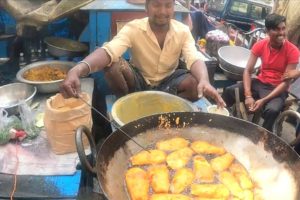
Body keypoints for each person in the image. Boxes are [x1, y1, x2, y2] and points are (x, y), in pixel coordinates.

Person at [61, 0, 225, 107]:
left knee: (196, 85)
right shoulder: (133, 28)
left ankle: (171, 108)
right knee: (112, 66)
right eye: (156, 4)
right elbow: (109, 50)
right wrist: (77, 70)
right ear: (146, 7)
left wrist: (204, 80)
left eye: (168, 5)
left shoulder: (182, 31)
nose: (162, 11)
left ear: (173, 8)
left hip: (170, 82)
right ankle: (126, 104)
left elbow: (194, 57)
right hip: (138, 80)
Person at [222, 13, 299, 132]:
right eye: (276, 29)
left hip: (278, 88)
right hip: (260, 82)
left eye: (283, 28)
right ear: (267, 31)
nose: (281, 33)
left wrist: (263, 100)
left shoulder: (292, 51)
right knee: (229, 91)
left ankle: (262, 139)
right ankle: (222, 121)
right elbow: (248, 70)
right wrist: (248, 95)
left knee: (272, 111)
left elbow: (285, 83)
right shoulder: (260, 45)